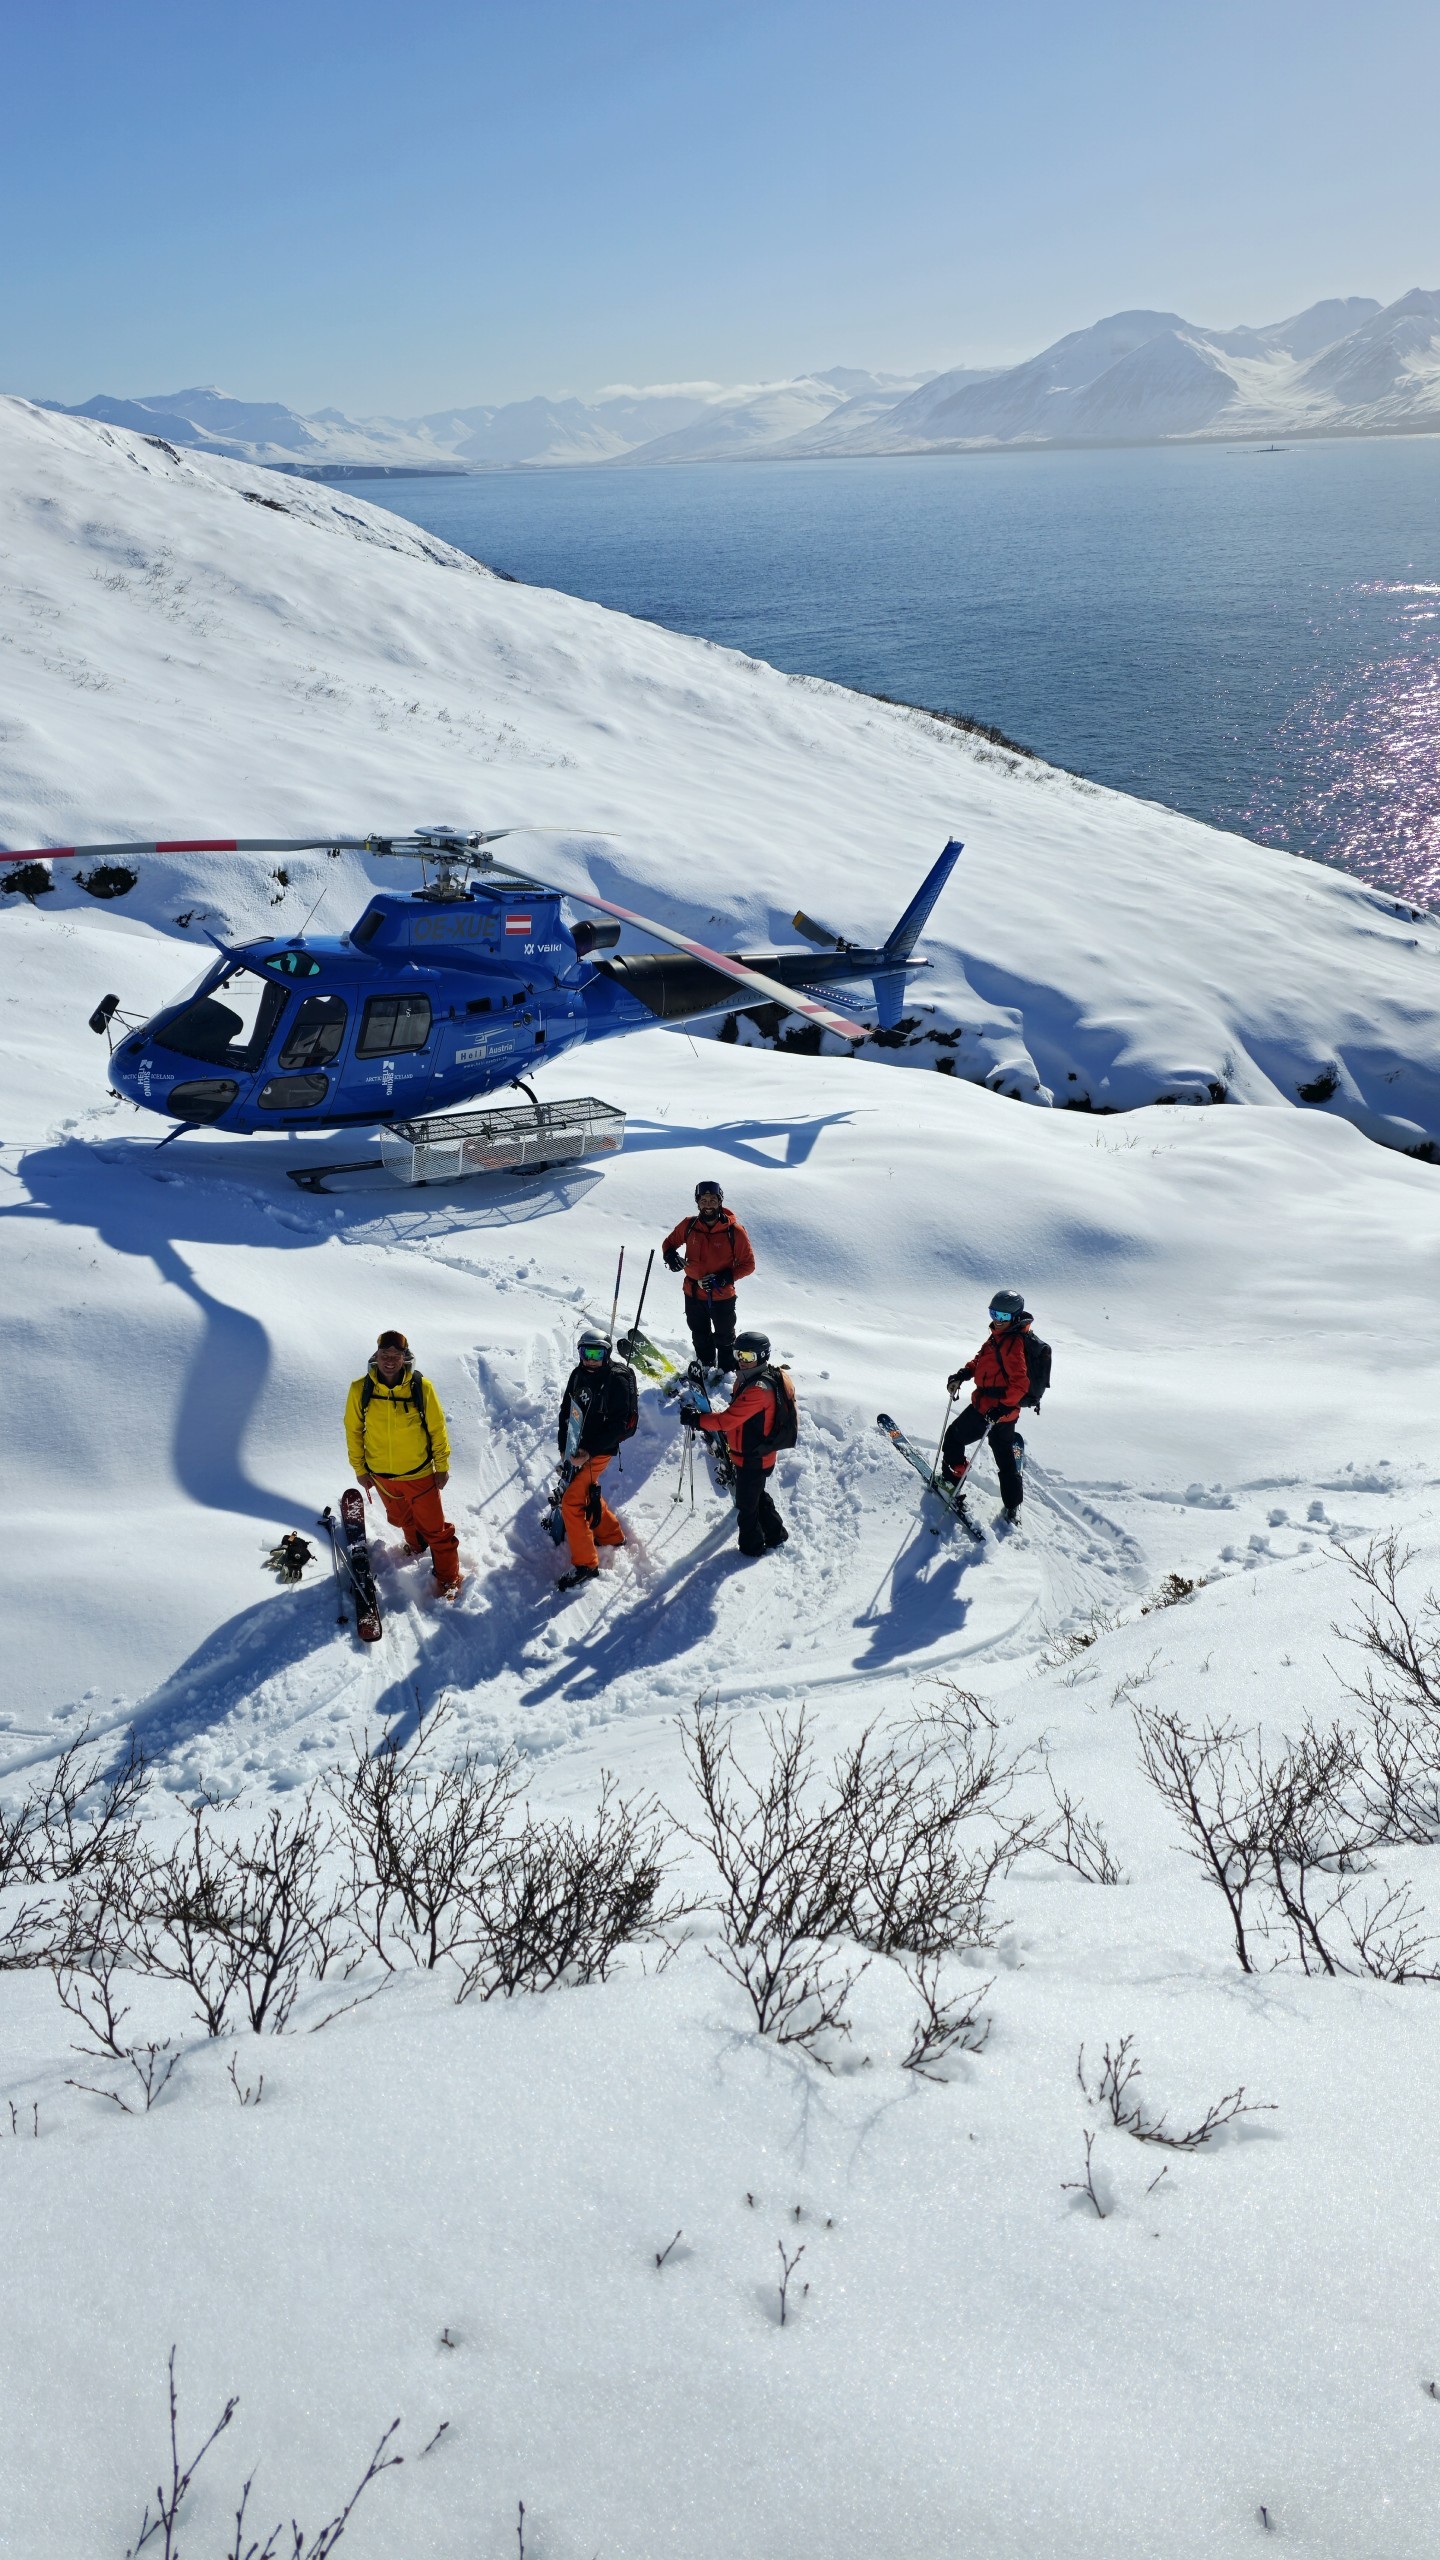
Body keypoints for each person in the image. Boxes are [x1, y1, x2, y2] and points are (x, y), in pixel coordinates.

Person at [344, 1329, 462, 1596]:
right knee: (401, 1519)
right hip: (381, 1475)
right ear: (376, 1355)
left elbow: (437, 1429)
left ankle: (448, 1579)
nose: (389, 1360)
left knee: (436, 1531)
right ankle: (417, 1546)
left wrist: (442, 1466)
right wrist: (360, 1469)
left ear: (404, 1357)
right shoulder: (360, 1389)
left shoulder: (421, 1388)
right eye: (385, 1354)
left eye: (395, 1355)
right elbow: (353, 1431)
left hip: (419, 1474)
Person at [683, 1329, 791, 1558]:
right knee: (757, 1496)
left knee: (746, 1507)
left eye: (748, 1356)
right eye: (738, 1354)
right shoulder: (751, 1379)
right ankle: (776, 1534)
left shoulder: (758, 1390)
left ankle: (752, 1548)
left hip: (754, 1458)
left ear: (763, 1356)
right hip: (755, 1454)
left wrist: (697, 1420)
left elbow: (726, 1420)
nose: (742, 1360)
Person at [554, 1329, 639, 1592]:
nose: (590, 1359)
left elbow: (619, 1426)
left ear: (607, 1354)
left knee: (571, 1502)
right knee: (584, 1490)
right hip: (578, 1447)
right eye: (585, 1352)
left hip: (599, 1450)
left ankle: (586, 1565)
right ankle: (612, 1535)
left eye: (597, 1353)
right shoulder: (577, 1374)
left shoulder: (617, 1380)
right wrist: (564, 1447)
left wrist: (588, 1452)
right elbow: (566, 1412)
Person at [941, 1289, 1035, 1524]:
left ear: (1015, 1317)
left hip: (989, 1410)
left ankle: (951, 1482)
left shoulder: (1012, 1344)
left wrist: (1000, 1407)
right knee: (1004, 1454)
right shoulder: (1000, 1336)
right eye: (993, 1313)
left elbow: (1021, 1383)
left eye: (1003, 1316)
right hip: (1005, 1414)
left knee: (953, 1438)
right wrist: (964, 1373)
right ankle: (1013, 1504)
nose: (997, 1320)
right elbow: (982, 1360)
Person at [662, 1179, 755, 1374]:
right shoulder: (689, 1225)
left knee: (725, 1338)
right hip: (693, 1293)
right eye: (703, 1200)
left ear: (720, 1201)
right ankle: (705, 1367)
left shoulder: (734, 1231)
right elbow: (669, 1243)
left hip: (722, 1296)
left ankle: (727, 1372)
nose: (708, 1205)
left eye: (713, 1200)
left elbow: (748, 1265)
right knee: (699, 1335)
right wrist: (671, 1257)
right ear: (697, 1203)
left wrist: (724, 1278)